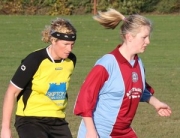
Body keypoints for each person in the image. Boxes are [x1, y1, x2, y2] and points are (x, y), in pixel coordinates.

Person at [74, 8, 171, 138]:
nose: (148, 42)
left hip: (123, 132)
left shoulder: (138, 63)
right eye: (144, 37)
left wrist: (157, 103)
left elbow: (138, 89)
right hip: (98, 132)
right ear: (129, 37)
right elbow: (85, 97)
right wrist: (90, 131)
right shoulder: (107, 63)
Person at [1, 17, 77, 138]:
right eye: (65, 44)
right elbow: (12, 92)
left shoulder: (71, 60)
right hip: (30, 119)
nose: (69, 49)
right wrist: (5, 128)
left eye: (72, 44)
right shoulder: (34, 59)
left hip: (58, 120)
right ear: (53, 40)